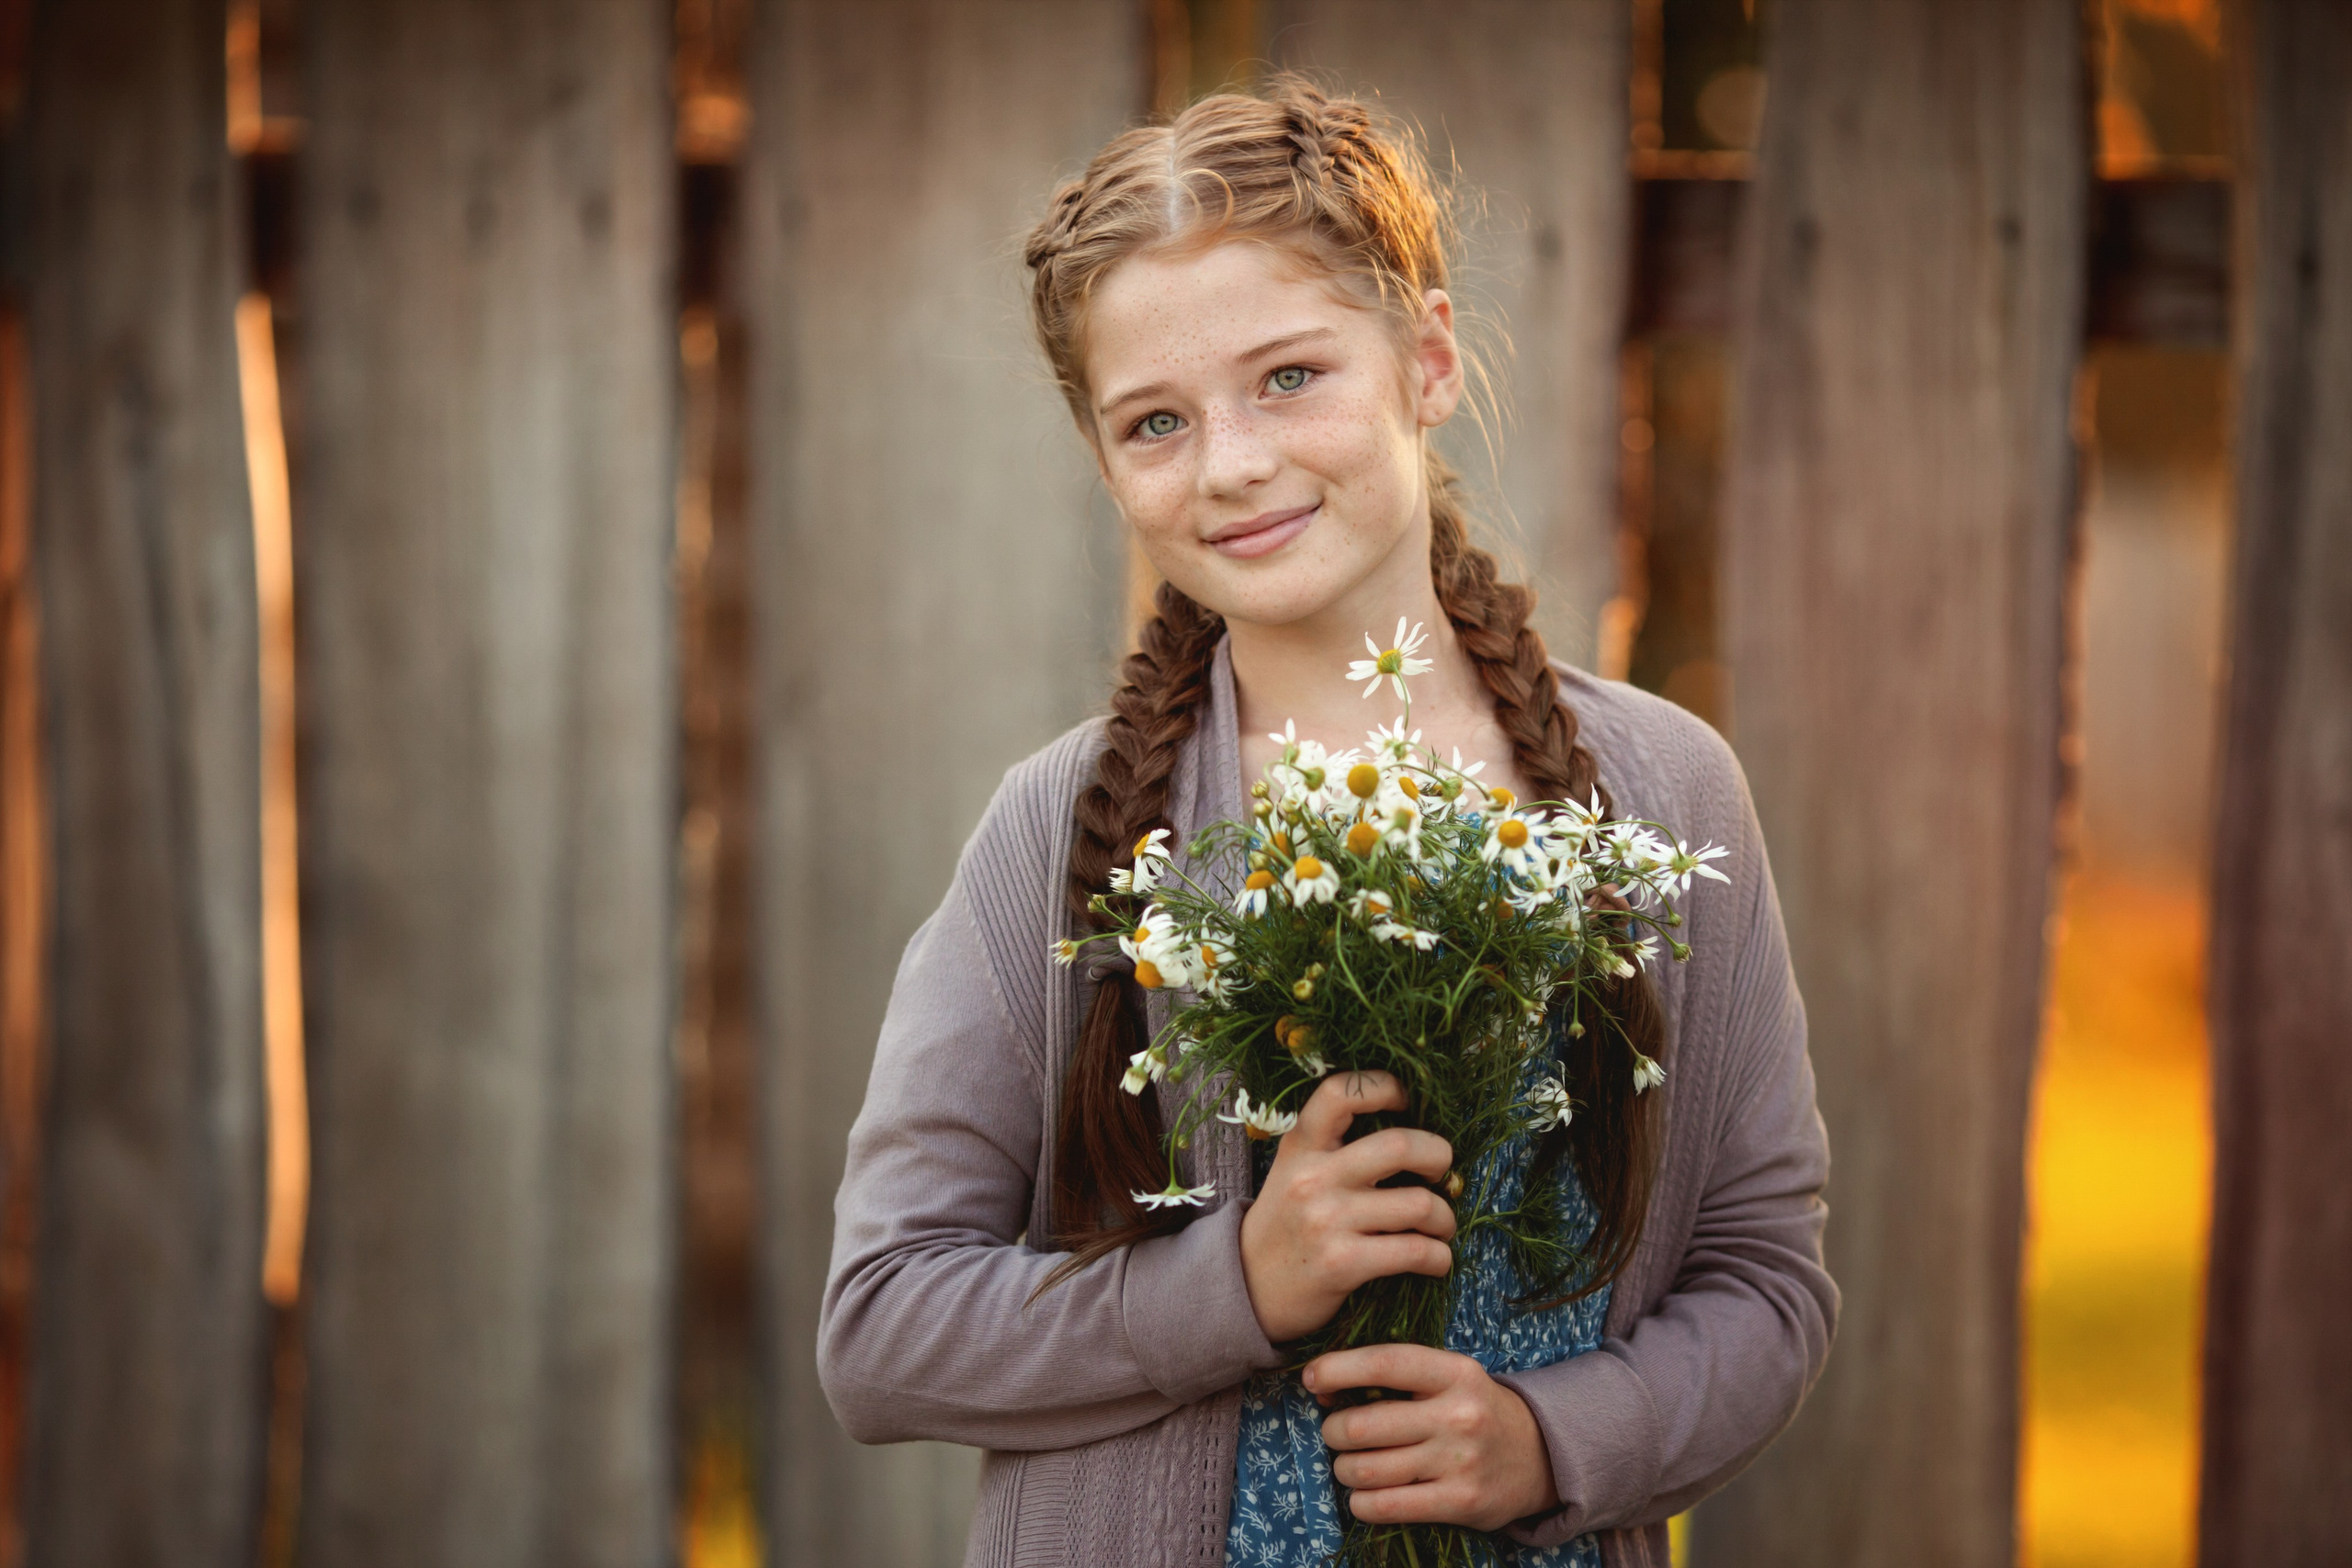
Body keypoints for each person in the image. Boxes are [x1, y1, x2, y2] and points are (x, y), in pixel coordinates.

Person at [819, 76, 1835, 1568]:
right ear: (1105, 463)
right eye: (1155, 421)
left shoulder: (1665, 794)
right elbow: (882, 1325)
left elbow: (1765, 1286)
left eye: (1289, 377)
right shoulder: (1067, 831)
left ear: (1425, 357)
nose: (1231, 462)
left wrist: (1557, 1441)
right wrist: (1235, 1285)